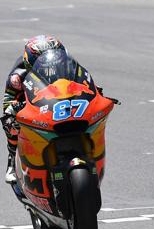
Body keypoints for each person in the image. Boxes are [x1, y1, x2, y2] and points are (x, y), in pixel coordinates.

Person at [1, 35, 103, 183]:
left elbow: (83, 80)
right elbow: (8, 100)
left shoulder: (69, 65)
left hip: (59, 99)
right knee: (10, 125)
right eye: (42, 62)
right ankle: (11, 160)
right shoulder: (17, 77)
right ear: (30, 62)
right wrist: (12, 110)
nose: (50, 65)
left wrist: (96, 91)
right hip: (31, 104)